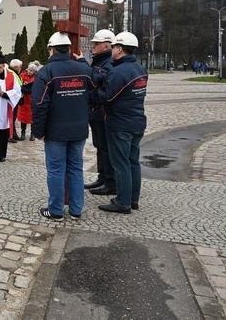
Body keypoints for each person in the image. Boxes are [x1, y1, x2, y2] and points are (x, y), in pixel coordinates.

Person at [31, 32, 93, 221]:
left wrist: (38, 131)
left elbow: (39, 103)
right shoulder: (83, 70)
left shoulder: (47, 72)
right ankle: (76, 209)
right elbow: (94, 93)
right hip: (79, 129)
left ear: (52, 49)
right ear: (68, 49)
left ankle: (56, 210)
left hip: (56, 130)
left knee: (56, 170)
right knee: (75, 168)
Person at [90, 32, 148, 214]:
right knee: (132, 162)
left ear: (120, 49)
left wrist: (89, 92)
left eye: (114, 47)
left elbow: (105, 97)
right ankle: (133, 199)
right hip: (137, 121)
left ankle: (123, 202)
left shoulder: (119, 72)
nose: (112, 50)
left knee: (120, 163)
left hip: (120, 123)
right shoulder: (140, 69)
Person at [77, 29, 117, 196]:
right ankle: (102, 177)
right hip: (95, 111)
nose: (93, 46)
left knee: (106, 148)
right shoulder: (100, 61)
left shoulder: (108, 63)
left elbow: (94, 80)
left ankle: (110, 181)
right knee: (99, 146)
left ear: (107, 46)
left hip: (101, 112)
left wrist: (83, 64)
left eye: (96, 44)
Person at [16, 62, 39, 141]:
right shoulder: (22, 76)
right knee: (23, 118)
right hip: (24, 100)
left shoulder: (37, 78)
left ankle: (33, 133)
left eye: (31, 71)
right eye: (29, 70)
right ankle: (23, 132)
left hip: (32, 100)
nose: (29, 72)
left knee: (32, 118)